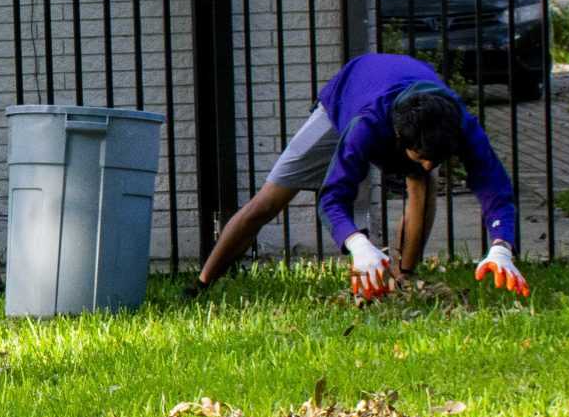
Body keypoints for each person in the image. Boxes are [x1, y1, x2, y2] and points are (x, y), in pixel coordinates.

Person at [193, 52, 532, 300]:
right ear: (398, 140)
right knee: (268, 201)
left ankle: (402, 280)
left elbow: (495, 186)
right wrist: (358, 244)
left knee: (422, 184)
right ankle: (203, 282)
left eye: (437, 159)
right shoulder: (366, 126)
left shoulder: (460, 123)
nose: (430, 165)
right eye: (422, 158)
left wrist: (501, 246)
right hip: (343, 103)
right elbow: (332, 196)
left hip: (411, 101)